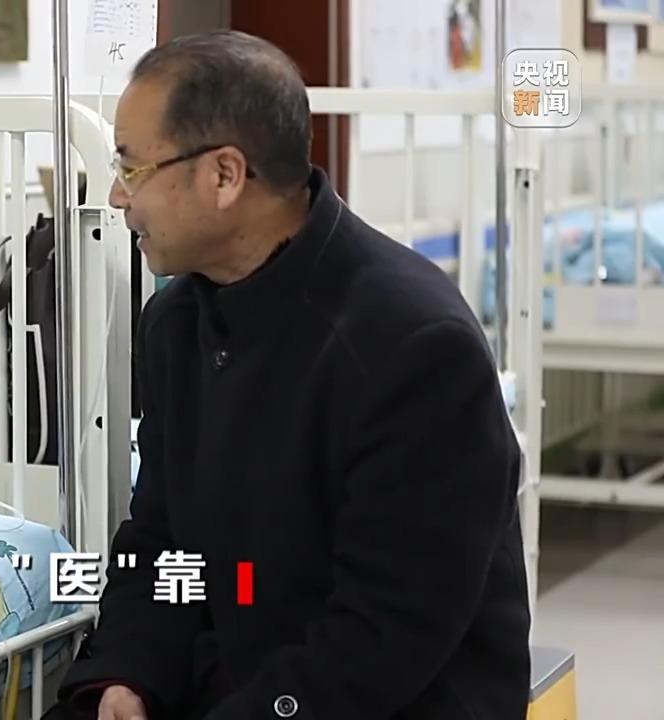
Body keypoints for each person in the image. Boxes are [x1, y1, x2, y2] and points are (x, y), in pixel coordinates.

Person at [47, 31, 532, 720]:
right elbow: (161, 544)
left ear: (224, 175)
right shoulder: (176, 324)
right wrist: (127, 675)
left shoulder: (413, 347)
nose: (118, 198)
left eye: (131, 168)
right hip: (239, 677)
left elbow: (386, 632)